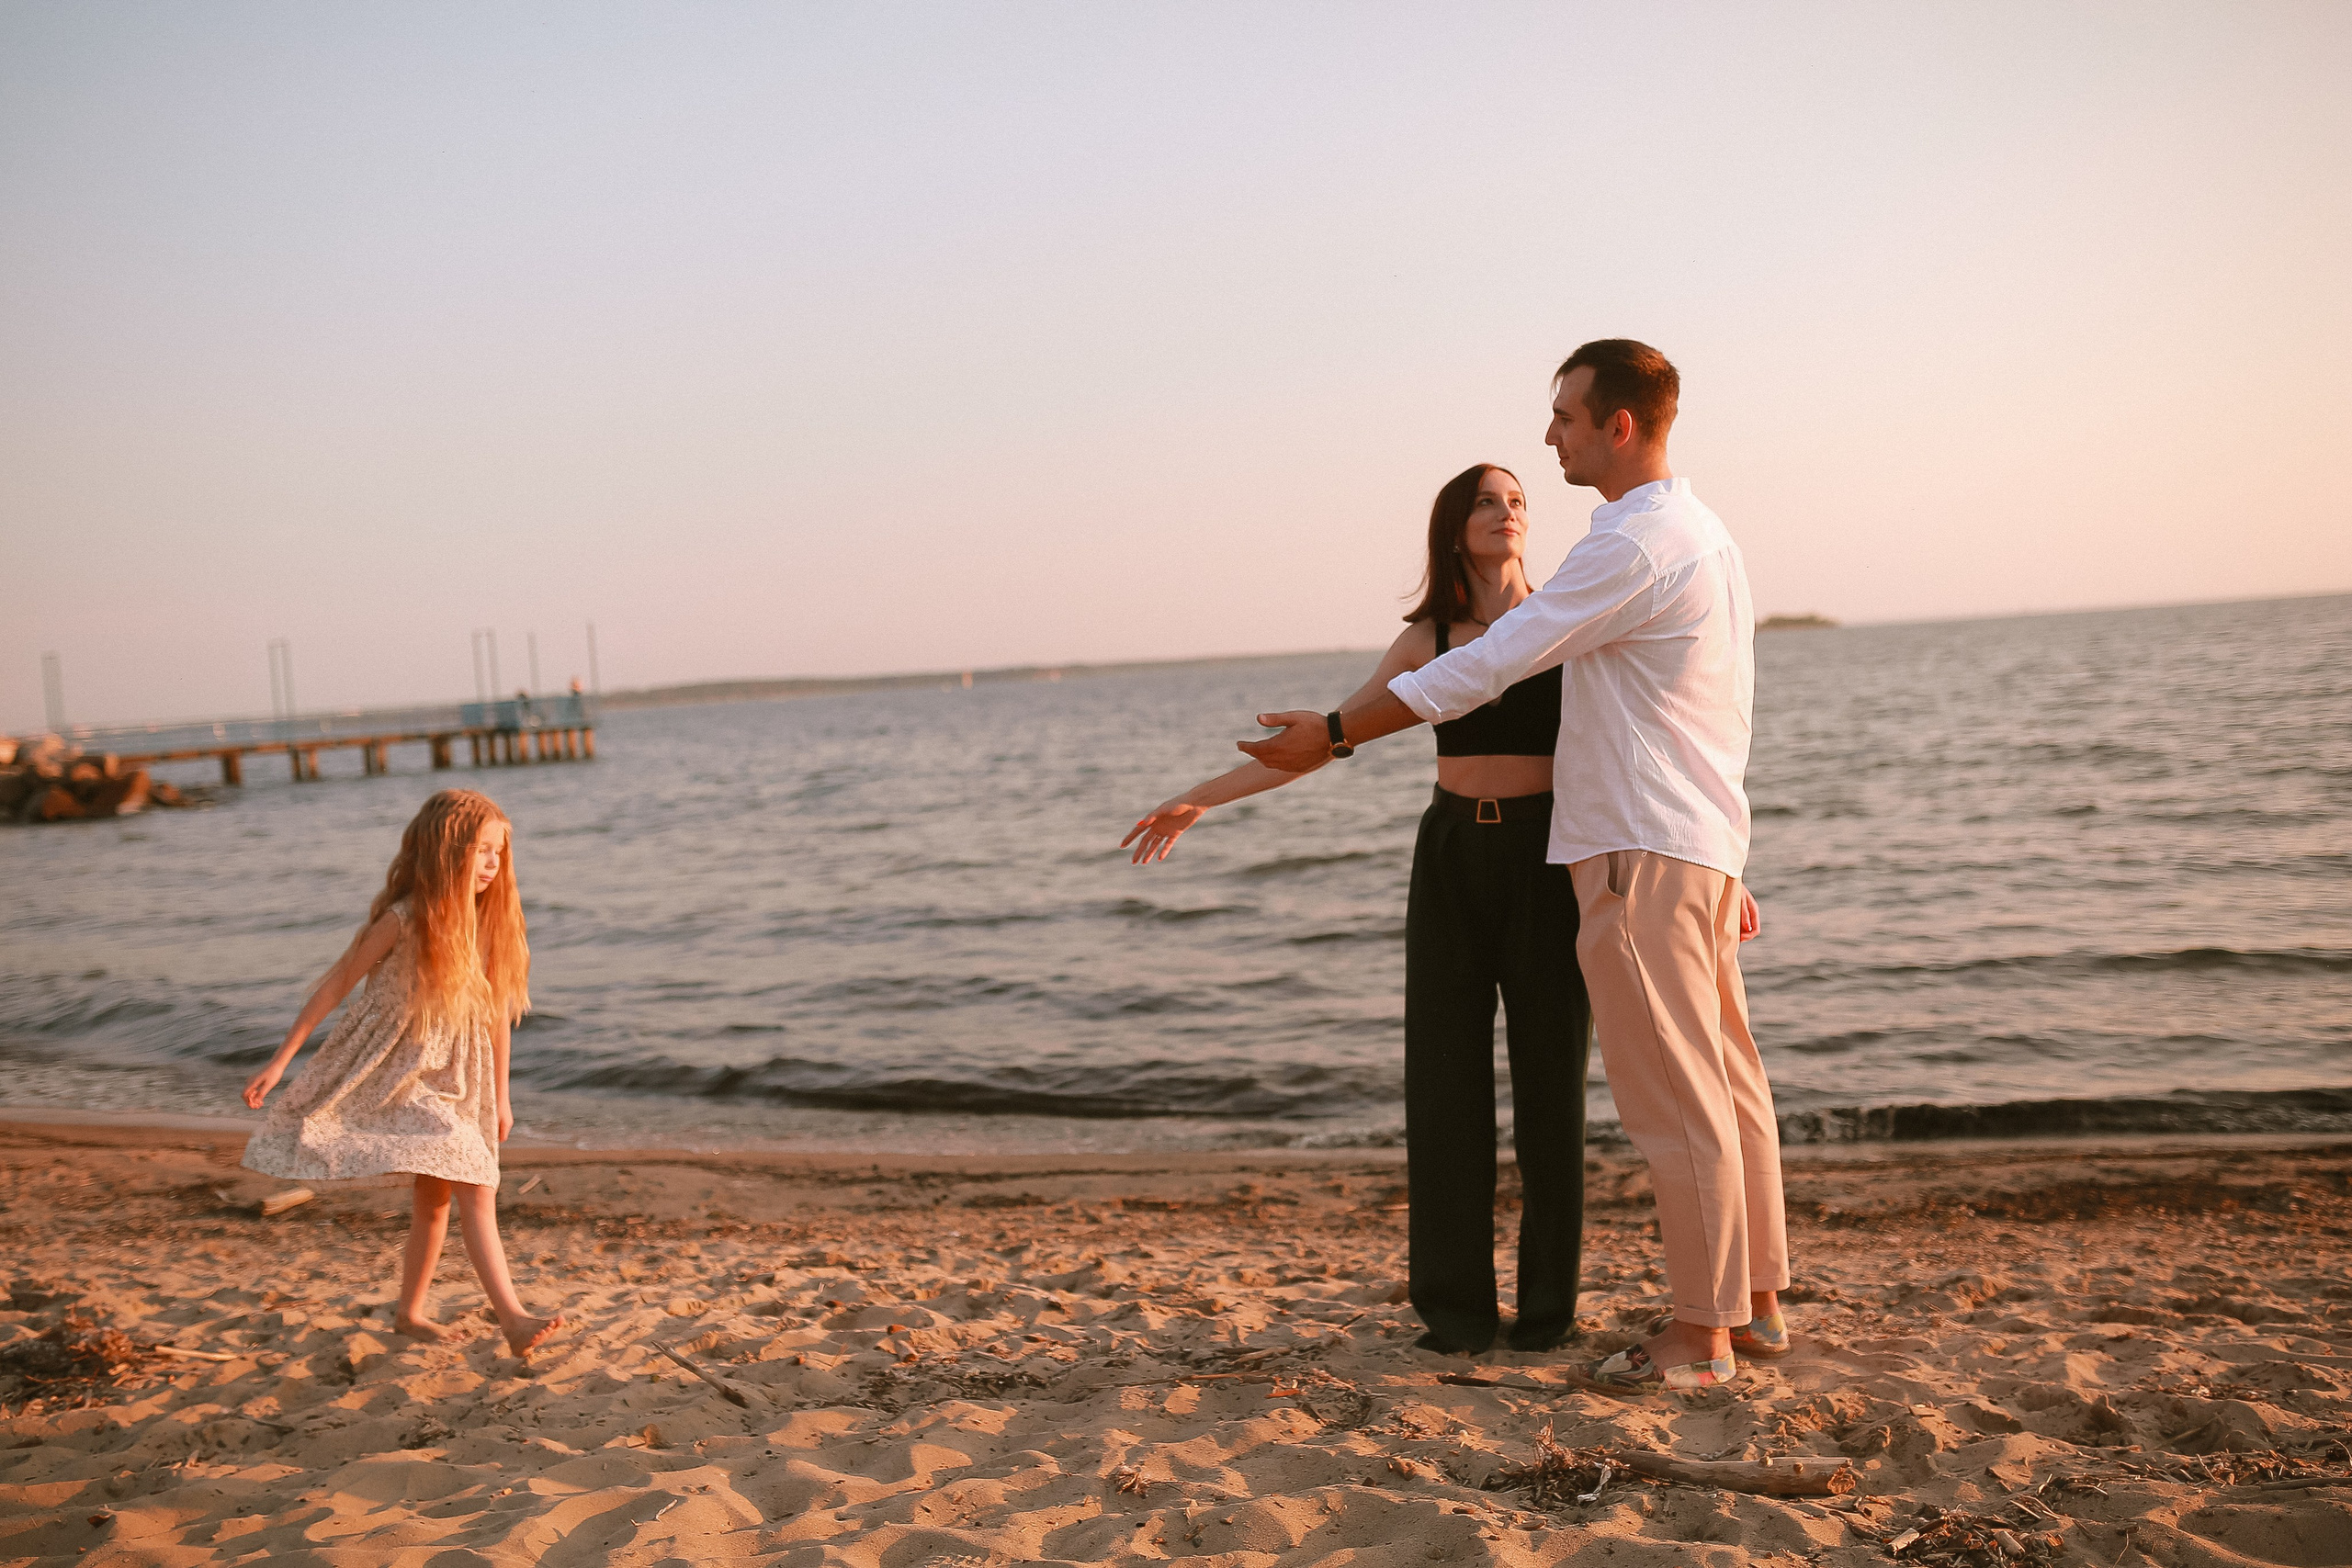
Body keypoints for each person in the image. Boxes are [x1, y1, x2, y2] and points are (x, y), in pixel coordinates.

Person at [1241, 340, 1789, 1393]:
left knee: (1676, 1101)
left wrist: (1338, 733)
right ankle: (1755, 1302)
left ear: (1617, 425)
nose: (1550, 436)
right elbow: (1717, 711)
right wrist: (1723, 850)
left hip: (1637, 853)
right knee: (1726, 1080)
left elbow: (1486, 664)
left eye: (1565, 417)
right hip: (1694, 840)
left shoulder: (1627, 546)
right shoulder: (1704, 535)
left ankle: (1701, 1334)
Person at [1126, 464, 1754, 1355]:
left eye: (1517, 501)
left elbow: (1668, 738)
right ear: (1454, 527)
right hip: (1453, 855)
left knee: (1552, 1092)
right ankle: (1456, 1312)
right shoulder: (1429, 638)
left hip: (1551, 855)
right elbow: (1326, 737)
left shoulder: (1567, 616)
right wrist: (1201, 796)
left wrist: (1717, 860)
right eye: (1486, 502)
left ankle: (1546, 1314)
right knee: (1445, 1082)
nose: (1506, 513)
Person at [240, 788, 561, 1360]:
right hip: (401, 1075)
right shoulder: (403, 918)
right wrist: (281, 1061)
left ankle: (409, 1314)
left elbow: (496, 1016)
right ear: (447, 850)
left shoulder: (486, 924)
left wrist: (502, 1098)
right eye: (482, 850)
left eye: (499, 852)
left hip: (460, 1078)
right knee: (476, 1185)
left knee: (435, 1199)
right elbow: (337, 984)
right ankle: (513, 1319)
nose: (493, 863)